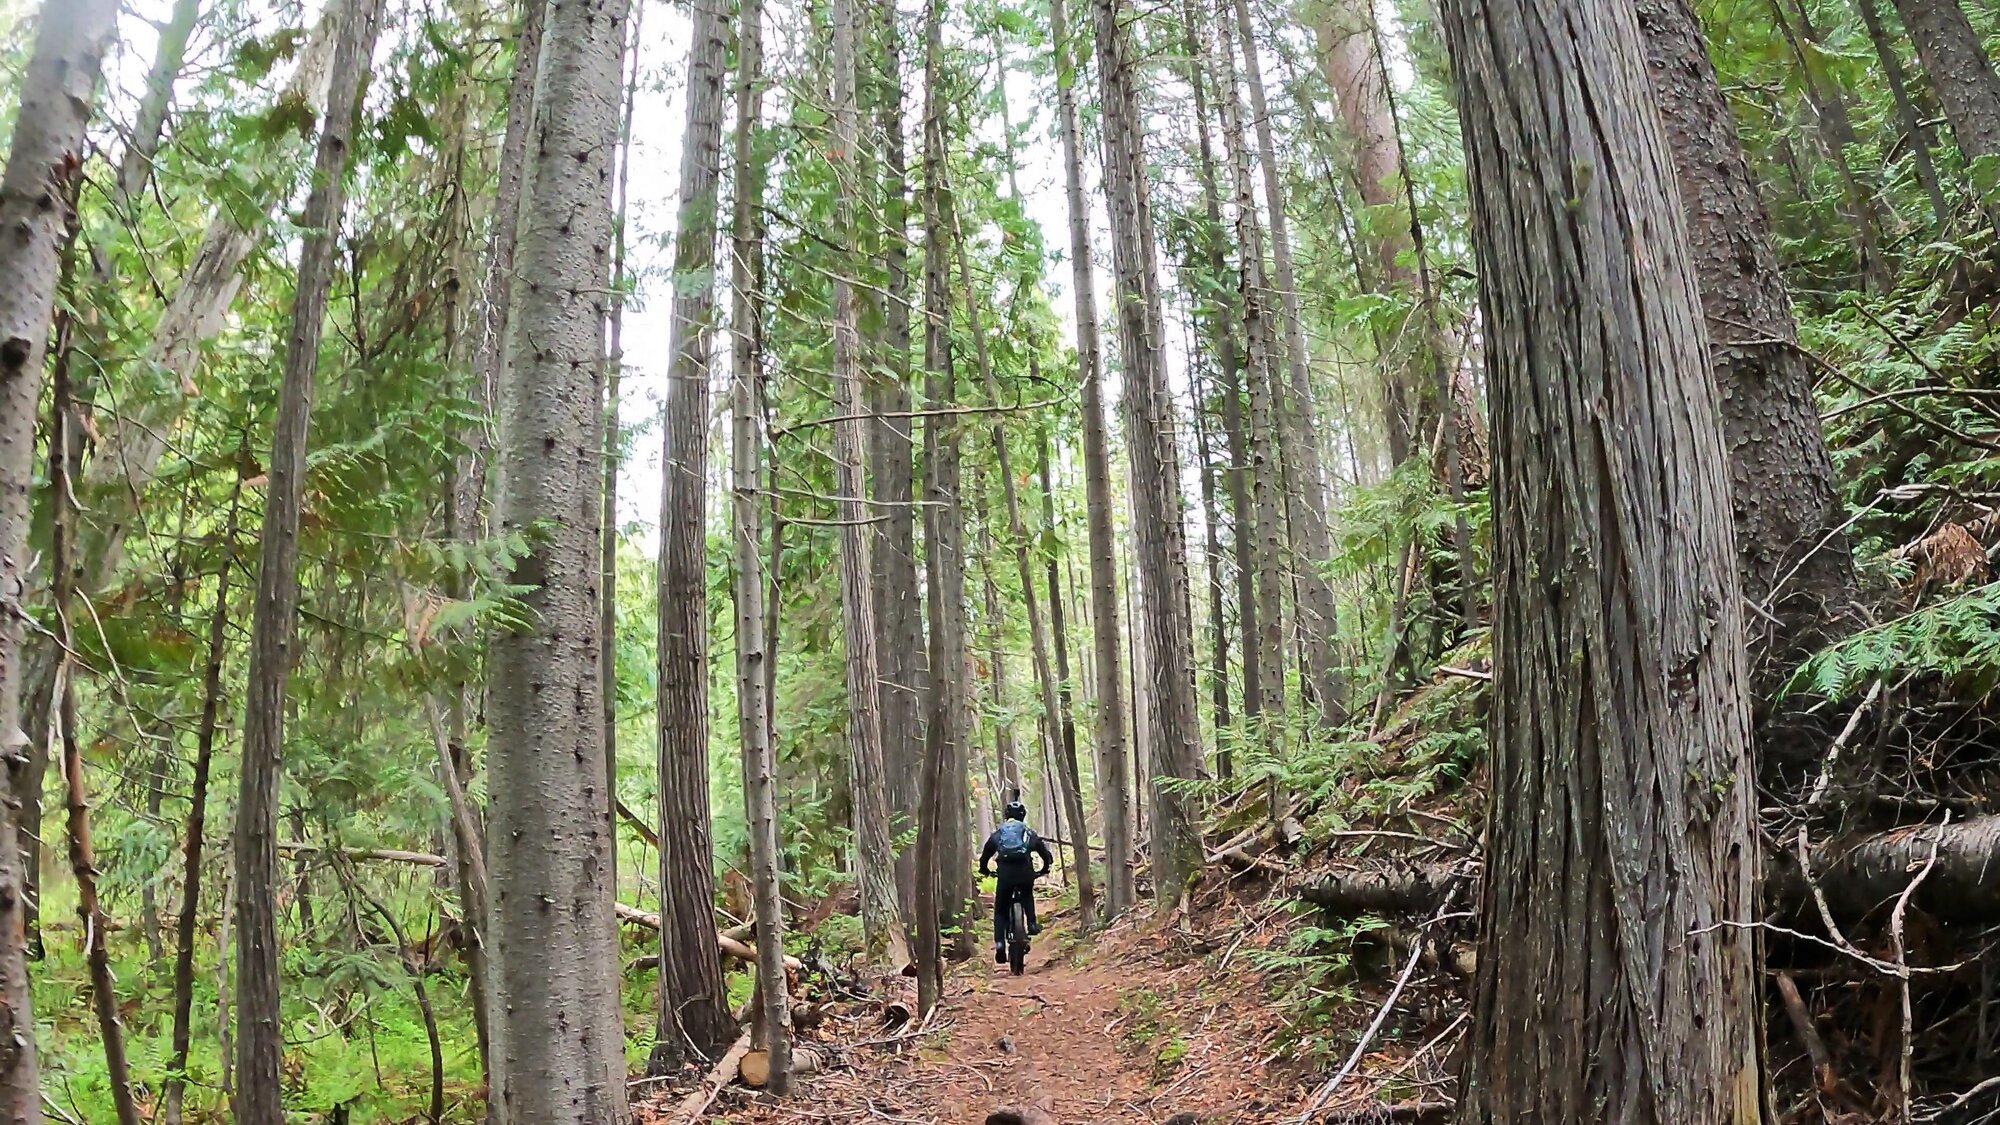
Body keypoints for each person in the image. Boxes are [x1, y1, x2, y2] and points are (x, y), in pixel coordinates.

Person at [979, 800, 1054, 964]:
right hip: (1025, 873)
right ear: (1023, 816)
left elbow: (985, 855)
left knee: (1000, 910)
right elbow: (1045, 855)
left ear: (1006, 816)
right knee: (1027, 896)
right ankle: (1032, 924)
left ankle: (1000, 944)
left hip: (1005, 876)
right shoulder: (1028, 833)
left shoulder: (999, 834)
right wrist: (1044, 869)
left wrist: (984, 869)